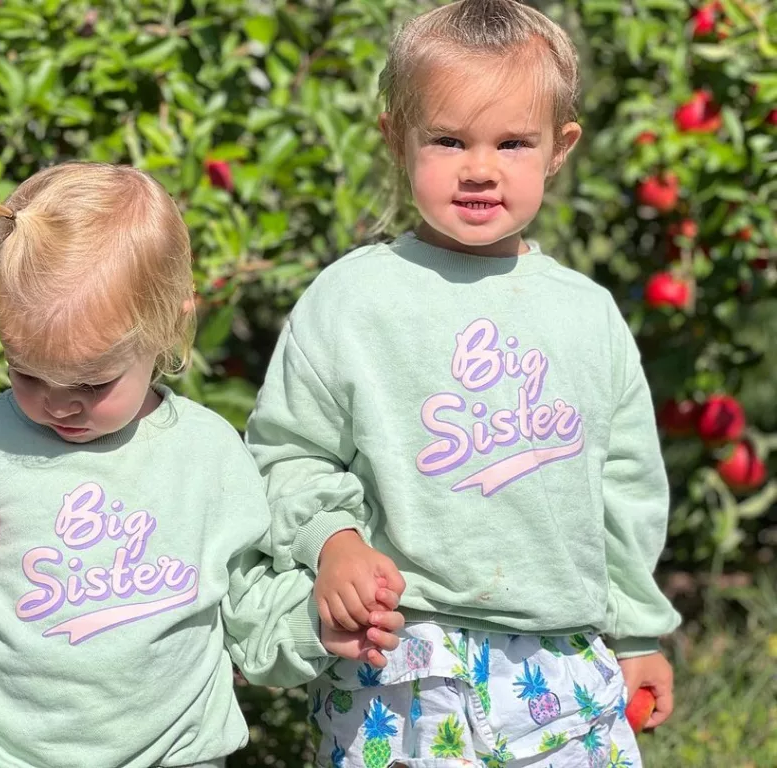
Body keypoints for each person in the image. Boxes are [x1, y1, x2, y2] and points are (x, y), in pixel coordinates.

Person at [0, 162, 403, 768]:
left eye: (92, 381)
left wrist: (313, 626)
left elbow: (247, 610)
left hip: (176, 754)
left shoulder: (206, 459)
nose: (57, 402)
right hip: (8, 754)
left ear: (170, 329)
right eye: (26, 372)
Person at [245, 2, 681, 765]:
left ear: (559, 148)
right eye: (448, 140)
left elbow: (626, 487)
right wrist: (333, 541)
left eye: (514, 142)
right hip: (405, 662)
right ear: (395, 138)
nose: (480, 166)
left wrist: (638, 630)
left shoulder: (587, 316)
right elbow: (286, 452)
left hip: (563, 658)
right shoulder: (352, 301)